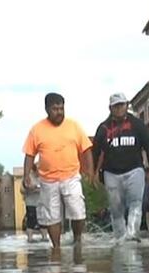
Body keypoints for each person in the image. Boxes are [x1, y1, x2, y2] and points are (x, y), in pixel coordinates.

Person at [22, 93, 96, 250]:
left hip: (71, 176)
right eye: (55, 109)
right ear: (47, 109)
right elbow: (29, 154)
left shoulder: (74, 126)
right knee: (52, 216)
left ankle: (77, 239)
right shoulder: (37, 130)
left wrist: (90, 170)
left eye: (61, 108)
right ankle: (56, 247)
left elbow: (87, 149)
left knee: (77, 210)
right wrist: (26, 175)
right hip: (48, 180)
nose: (59, 112)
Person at [92, 93, 149, 242]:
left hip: (135, 170)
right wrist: (94, 173)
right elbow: (95, 152)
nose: (120, 108)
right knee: (116, 209)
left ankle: (132, 235)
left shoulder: (137, 124)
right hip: (111, 173)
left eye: (122, 105)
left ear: (127, 105)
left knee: (136, 203)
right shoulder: (103, 128)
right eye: (116, 106)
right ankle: (120, 238)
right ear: (110, 108)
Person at [21, 163, 47, 242]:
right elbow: (22, 190)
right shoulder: (28, 177)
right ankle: (30, 238)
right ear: (34, 170)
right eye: (39, 170)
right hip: (31, 202)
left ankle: (45, 237)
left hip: (42, 202)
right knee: (31, 220)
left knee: (43, 221)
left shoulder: (44, 177)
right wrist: (30, 189)